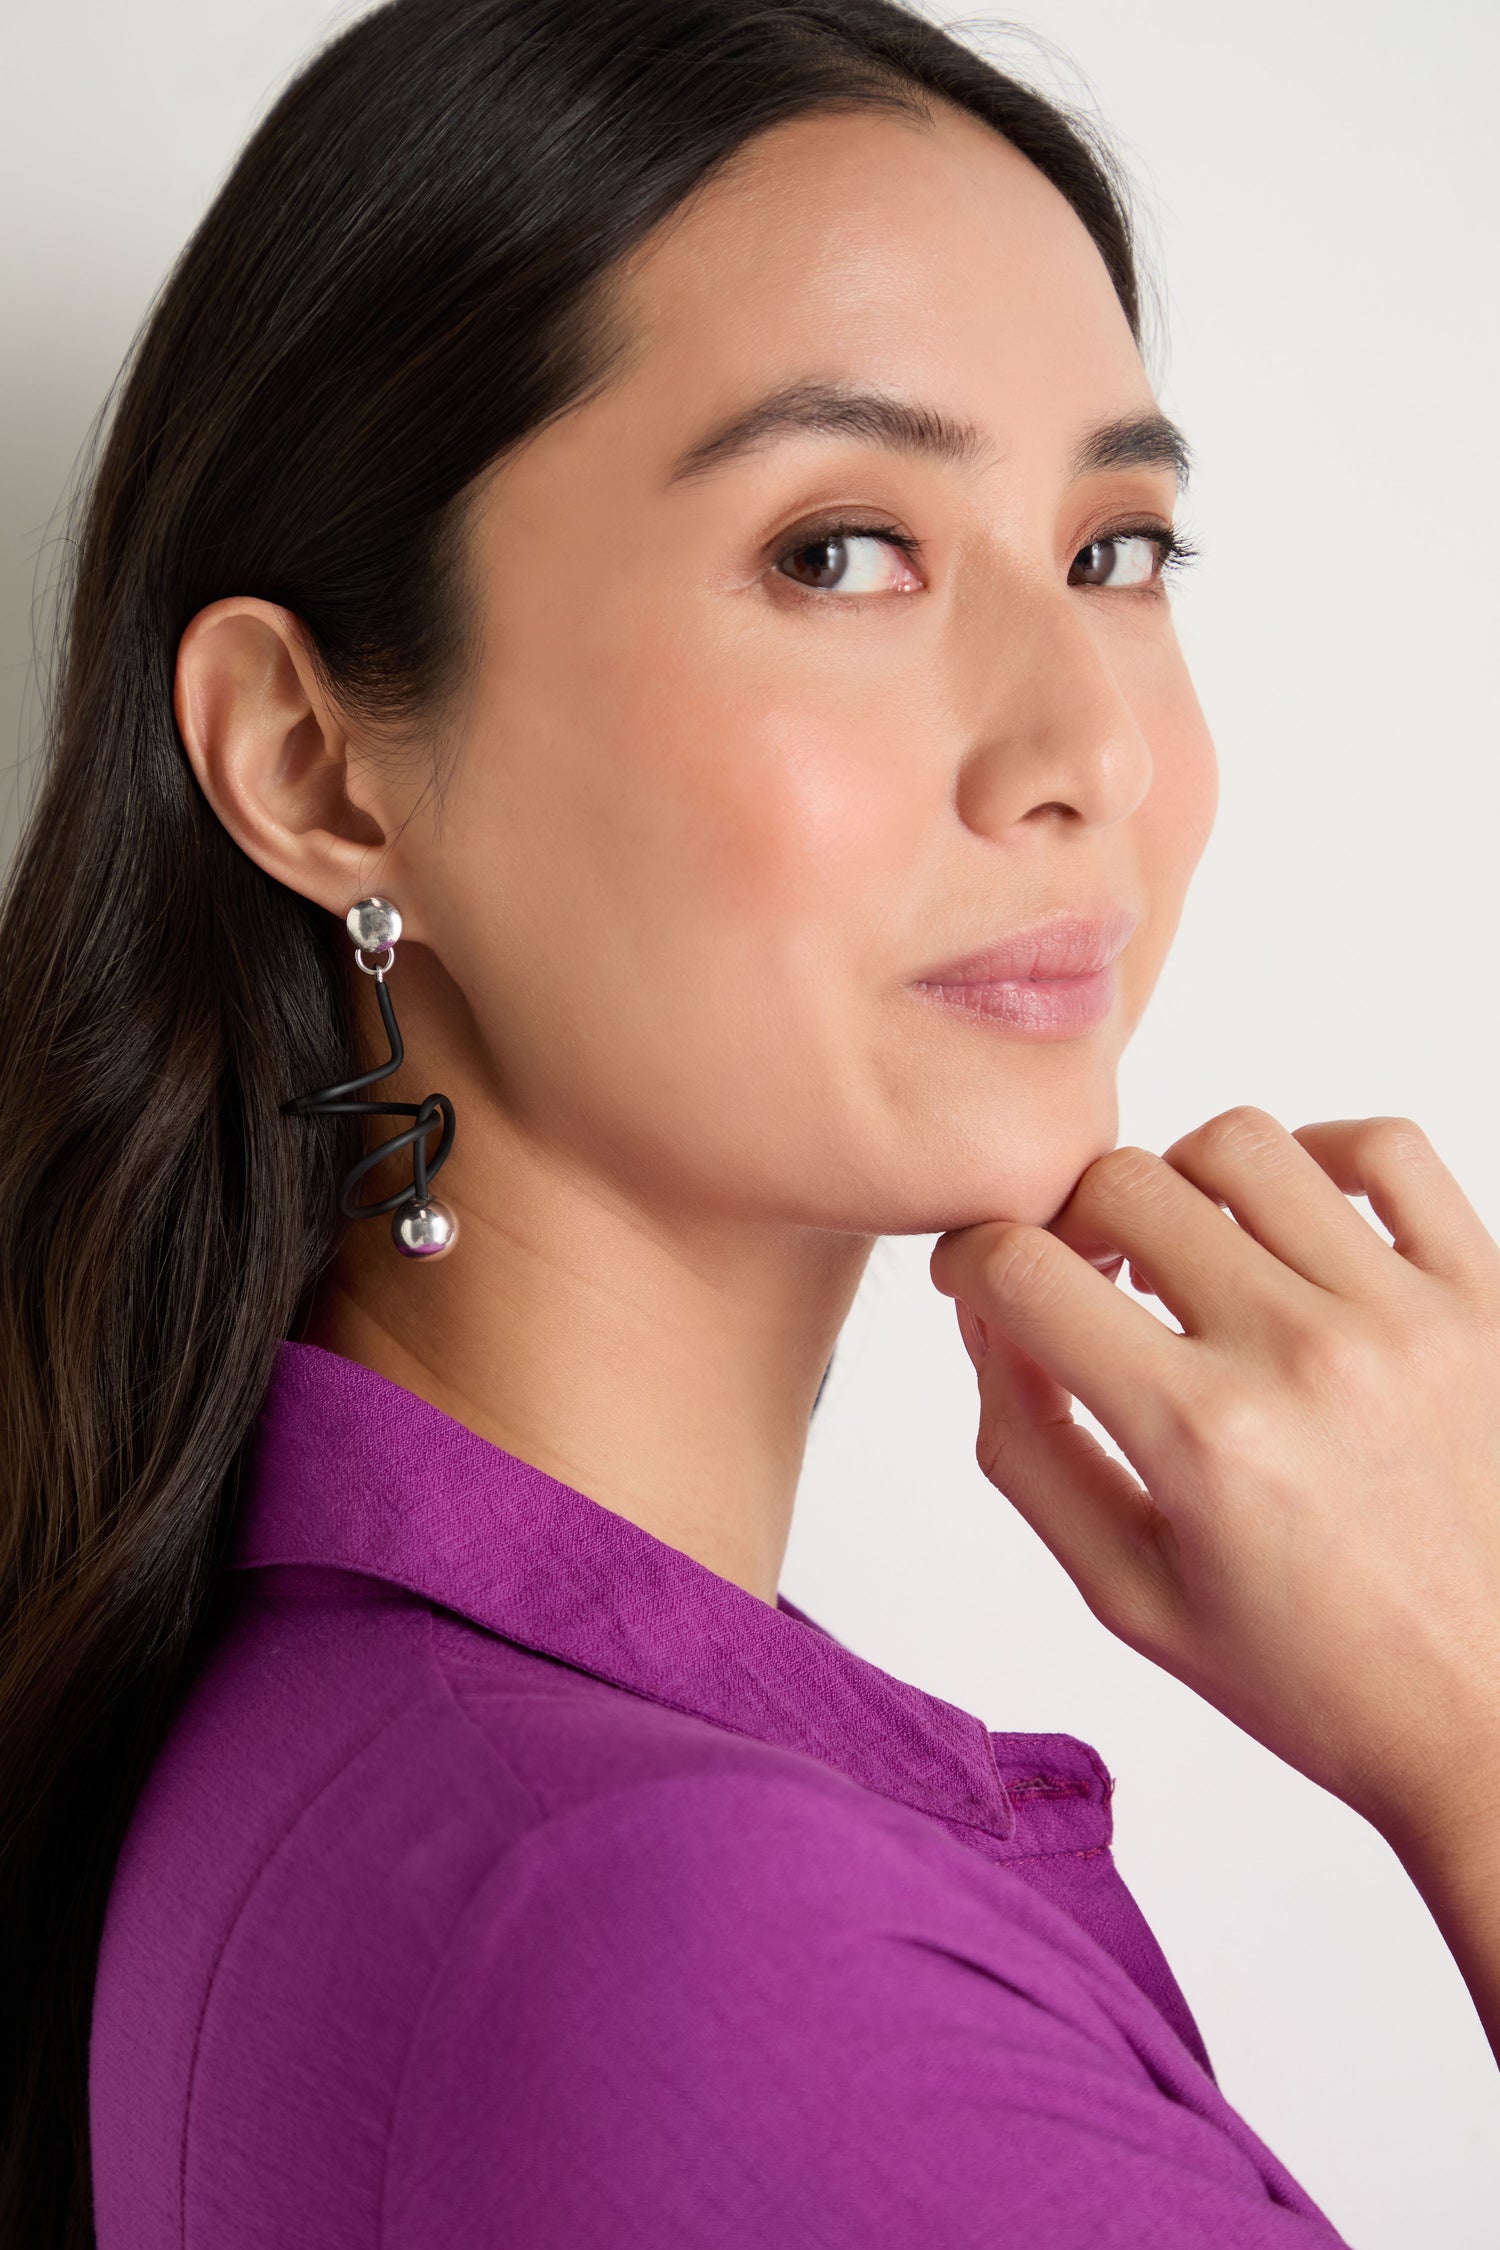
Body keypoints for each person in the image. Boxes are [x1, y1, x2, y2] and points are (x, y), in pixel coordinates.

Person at [3, 0, 1497, 2242]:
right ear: (315, 762)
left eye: (1117, 548)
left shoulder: (397, 1746)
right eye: (840, 552)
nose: (1080, 745)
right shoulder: (684, 1937)